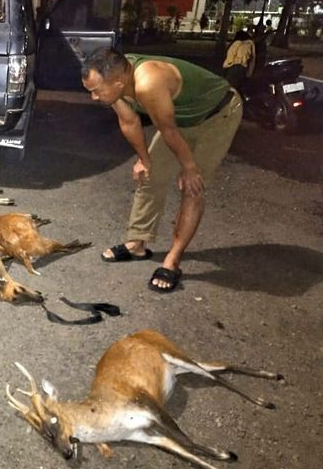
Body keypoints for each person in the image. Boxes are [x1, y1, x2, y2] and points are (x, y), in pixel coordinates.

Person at [81, 48, 242, 292]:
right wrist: (144, 159)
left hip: (218, 114)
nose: (93, 97)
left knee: (192, 188)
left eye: (95, 91)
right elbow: (129, 122)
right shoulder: (117, 86)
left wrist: (189, 168)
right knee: (150, 175)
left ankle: (173, 261)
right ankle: (136, 244)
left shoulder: (148, 83)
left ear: (118, 82)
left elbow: (168, 130)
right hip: (181, 120)